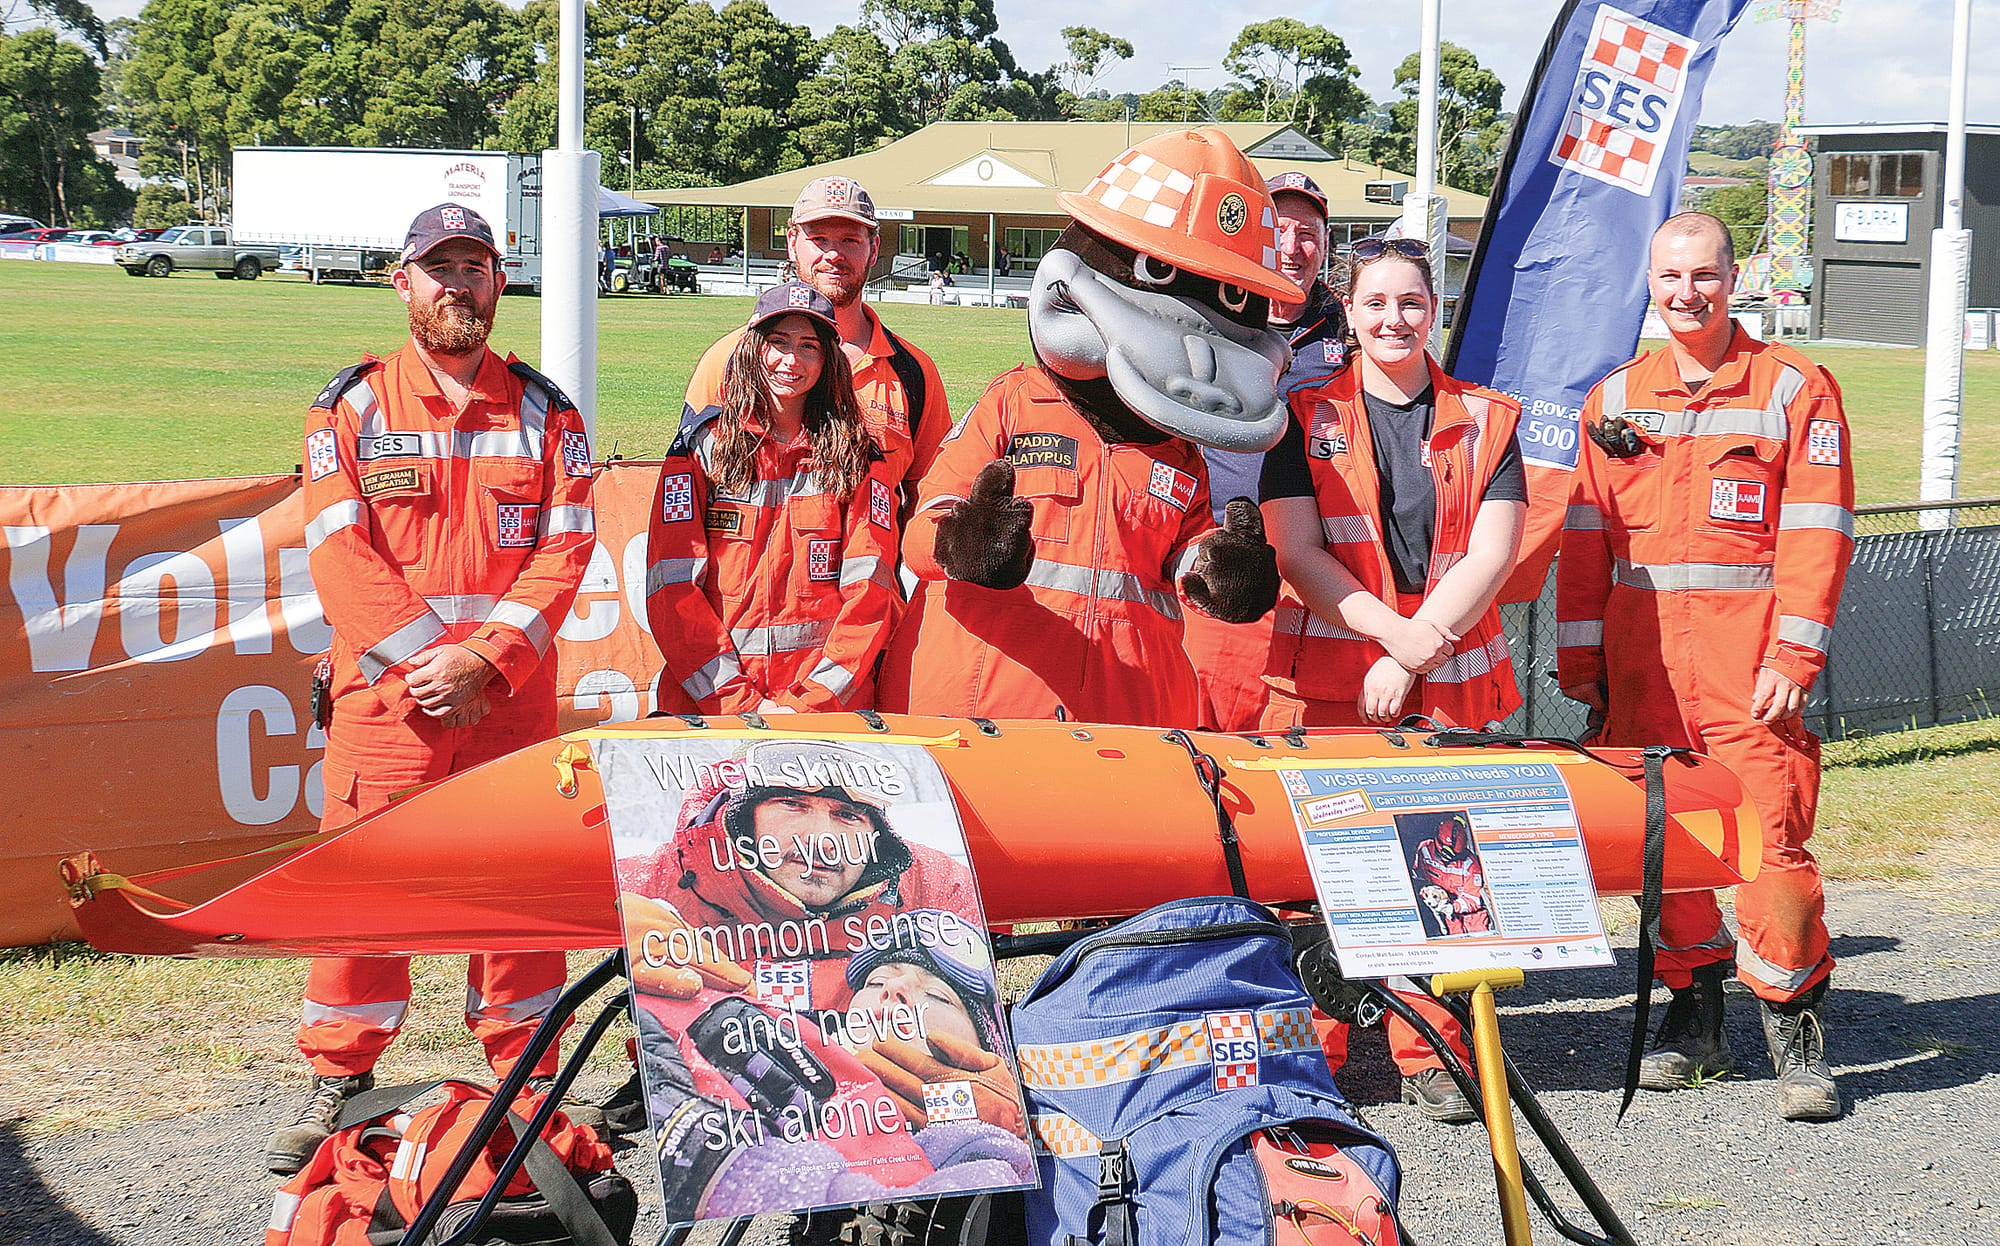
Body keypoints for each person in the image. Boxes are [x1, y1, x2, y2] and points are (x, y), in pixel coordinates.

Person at [270, 203, 597, 1173]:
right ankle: (339, 1079)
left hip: (507, 706)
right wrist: (431, 665)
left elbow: (566, 545)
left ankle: (527, 1082)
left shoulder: (549, 412)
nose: (458, 283)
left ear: (500, 280)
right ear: (400, 281)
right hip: (388, 709)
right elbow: (339, 548)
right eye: (438, 266)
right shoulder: (350, 408)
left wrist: (485, 661)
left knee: (517, 906)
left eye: (475, 265)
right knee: (363, 902)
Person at [1557, 212, 1854, 1122]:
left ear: (1735, 279)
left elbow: (1819, 530)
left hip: (1748, 673)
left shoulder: (1795, 389)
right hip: (1642, 677)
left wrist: (1795, 653)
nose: (1687, 294)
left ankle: (1794, 1031)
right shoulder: (1613, 400)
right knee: (1667, 854)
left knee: (1771, 848)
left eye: (1705, 276)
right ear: (1650, 282)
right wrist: (1580, 659)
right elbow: (1584, 537)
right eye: (1670, 277)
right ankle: (1695, 1021)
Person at [1258, 235, 1526, 1124]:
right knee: (1321, 872)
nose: (1393, 320)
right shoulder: (1300, 419)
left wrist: (1416, 648)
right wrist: (1390, 636)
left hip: (1443, 677)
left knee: (1443, 870)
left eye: (1411, 302)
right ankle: (1319, 1056)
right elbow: (1297, 552)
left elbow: (1493, 552)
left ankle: (1436, 1052)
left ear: (1434, 307)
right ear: (1349, 308)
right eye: (1375, 302)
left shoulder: (1490, 418)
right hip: (1334, 678)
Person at [644, 283, 904, 716]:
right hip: (708, 708)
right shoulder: (701, 447)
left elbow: (871, 592)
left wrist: (809, 707)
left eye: (809, 346)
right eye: (777, 343)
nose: (791, 360)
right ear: (752, 348)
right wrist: (737, 702)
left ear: (828, 359)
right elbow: (671, 590)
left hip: (825, 711)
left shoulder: (859, 456)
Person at [1185, 172, 1352, 731]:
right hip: (1216, 556)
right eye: (1278, 229)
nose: (1291, 246)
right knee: (1204, 731)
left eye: (1308, 232)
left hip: (1319, 571)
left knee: (1290, 740)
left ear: (1326, 245)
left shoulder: (1356, 331)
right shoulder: (1207, 317)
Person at [679, 177, 950, 510]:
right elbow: (687, 484)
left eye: (850, 240)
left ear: (874, 248)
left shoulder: (914, 372)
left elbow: (930, 497)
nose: (834, 254)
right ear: (792, 243)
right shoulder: (729, 359)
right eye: (819, 239)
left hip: (868, 557)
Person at [1411, 815, 1491, 936]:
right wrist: (1424, 891)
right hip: (1444, 915)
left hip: (1472, 917)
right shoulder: (1424, 850)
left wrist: (1453, 907)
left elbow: (1474, 900)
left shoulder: (1470, 865)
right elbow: (1418, 877)